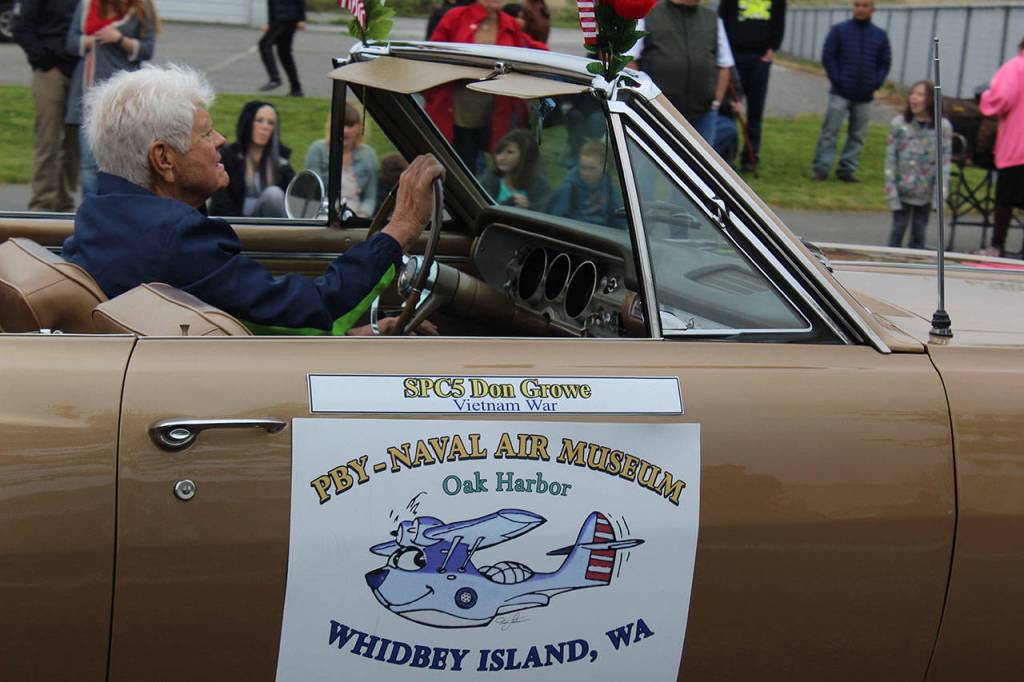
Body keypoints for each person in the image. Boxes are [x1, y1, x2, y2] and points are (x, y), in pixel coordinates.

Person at [61, 64, 444, 336]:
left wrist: (353, 337)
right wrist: (401, 228)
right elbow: (311, 310)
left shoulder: (99, 213)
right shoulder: (176, 237)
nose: (221, 140)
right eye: (206, 133)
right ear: (163, 159)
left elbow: (241, 318)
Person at [426, 0, 547, 171]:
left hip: (497, 110)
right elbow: (432, 57)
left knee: (496, 166)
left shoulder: (509, 22)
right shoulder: (455, 17)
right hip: (458, 109)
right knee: (457, 165)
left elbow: (528, 49)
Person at [65, 0, 158, 196]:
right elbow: (71, 43)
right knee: (89, 165)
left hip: (122, 96)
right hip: (88, 92)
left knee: (123, 165)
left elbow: (147, 49)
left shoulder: (141, 7)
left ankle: (119, 213)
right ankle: (92, 214)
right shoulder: (87, 5)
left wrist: (119, 39)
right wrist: (92, 41)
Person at [630, 0, 735, 144]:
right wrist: (641, 97)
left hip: (703, 115)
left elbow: (724, 65)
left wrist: (715, 102)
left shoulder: (712, 19)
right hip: (657, 113)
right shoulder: (648, 15)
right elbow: (630, 59)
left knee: (699, 164)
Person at [11, 0, 81, 213]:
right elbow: (19, 26)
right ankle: (42, 204)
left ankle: (64, 202)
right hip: (50, 71)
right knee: (47, 138)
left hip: (80, 71)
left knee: (74, 142)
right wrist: (41, 57)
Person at [811, 0, 890, 183]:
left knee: (858, 135)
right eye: (857, 5)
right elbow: (828, 57)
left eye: (865, 5)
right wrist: (837, 80)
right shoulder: (839, 31)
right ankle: (822, 168)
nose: (860, 9)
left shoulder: (879, 35)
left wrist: (875, 83)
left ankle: (847, 169)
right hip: (840, 92)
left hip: (865, 95)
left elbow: (884, 63)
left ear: (872, 9)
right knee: (830, 131)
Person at [718, 0, 786, 172]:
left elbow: (779, 23)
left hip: (760, 59)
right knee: (729, 108)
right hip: (734, 57)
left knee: (755, 112)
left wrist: (771, 51)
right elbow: (723, 20)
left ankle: (750, 157)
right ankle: (727, 157)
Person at [885, 81, 952, 250]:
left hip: (925, 193)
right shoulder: (899, 124)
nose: (914, 98)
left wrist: (939, 198)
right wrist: (891, 190)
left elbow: (944, 163)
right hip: (902, 191)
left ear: (931, 99)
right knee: (897, 231)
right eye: (913, 93)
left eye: (920, 94)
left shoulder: (942, 127)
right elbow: (890, 158)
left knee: (919, 233)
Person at [978, 37, 1024, 258]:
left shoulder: (1015, 67)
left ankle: (997, 246)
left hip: (1017, 146)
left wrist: (985, 96)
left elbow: (1001, 99)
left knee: (1005, 200)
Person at [209, 100, 295, 218]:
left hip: (272, 227)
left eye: (270, 123)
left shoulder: (281, 162)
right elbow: (221, 199)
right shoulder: (229, 156)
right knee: (273, 194)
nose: (264, 127)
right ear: (248, 122)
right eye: (259, 121)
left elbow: (293, 200)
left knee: (273, 195)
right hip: (236, 225)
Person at [304, 104, 380, 217]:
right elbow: (312, 194)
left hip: (355, 215)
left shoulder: (368, 155)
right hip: (323, 213)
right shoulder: (317, 150)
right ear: (332, 125)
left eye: (350, 125)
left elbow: (370, 198)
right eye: (341, 125)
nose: (345, 130)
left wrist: (361, 217)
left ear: (359, 127)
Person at [547, 140, 624, 228]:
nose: (586, 173)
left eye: (592, 169)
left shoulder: (609, 188)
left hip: (603, 234)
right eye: (583, 168)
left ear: (605, 167)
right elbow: (558, 218)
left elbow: (618, 220)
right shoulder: (570, 187)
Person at [478, 129, 549, 210]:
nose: (501, 158)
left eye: (509, 152)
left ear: (526, 156)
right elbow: (483, 210)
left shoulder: (540, 185)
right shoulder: (489, 180)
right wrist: (510, 203)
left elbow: (544, 214)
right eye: (499, 152)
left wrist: (528, 207)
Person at [713, 67, 744, 167]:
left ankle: (726, 164)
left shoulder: (726, 65)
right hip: (700, 112)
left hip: (720, 111)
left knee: (729, 129)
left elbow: (736, 89)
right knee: (728, 129)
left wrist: (734, 103)